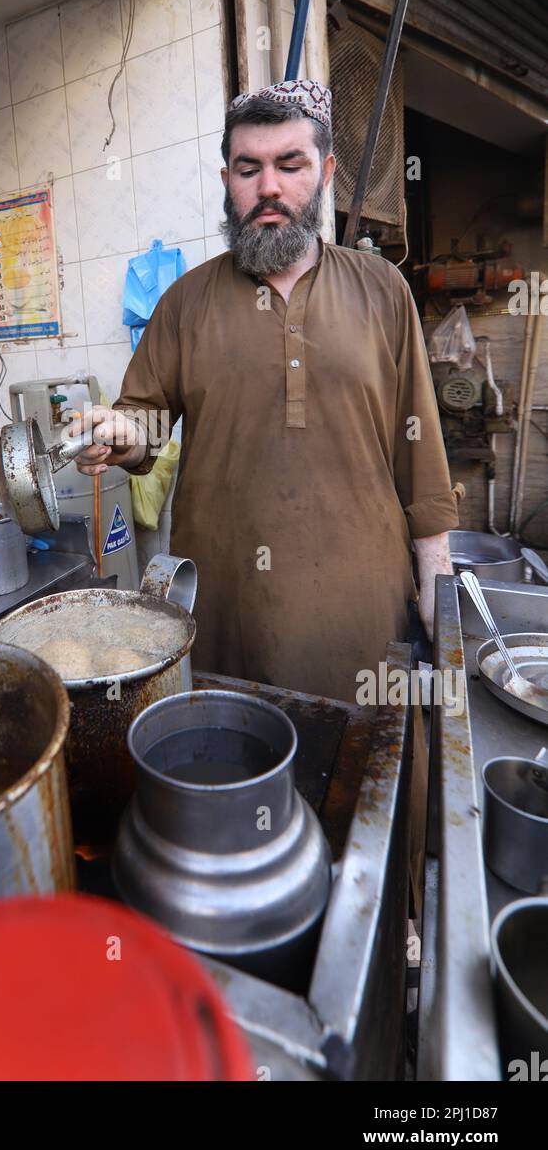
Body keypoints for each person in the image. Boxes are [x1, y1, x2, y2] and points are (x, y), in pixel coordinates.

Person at [68, 79, 458, 703]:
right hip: (226, 615)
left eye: (290, 164)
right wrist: (120, 435)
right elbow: (141, 419)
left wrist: (440, 601)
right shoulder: (184, 303)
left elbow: (422, 454)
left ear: (326, 171)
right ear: (227, 178)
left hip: (362, 619)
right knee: (232, 771)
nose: (269, 187)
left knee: (364, 785)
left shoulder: (382, 289)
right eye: (249, 168)